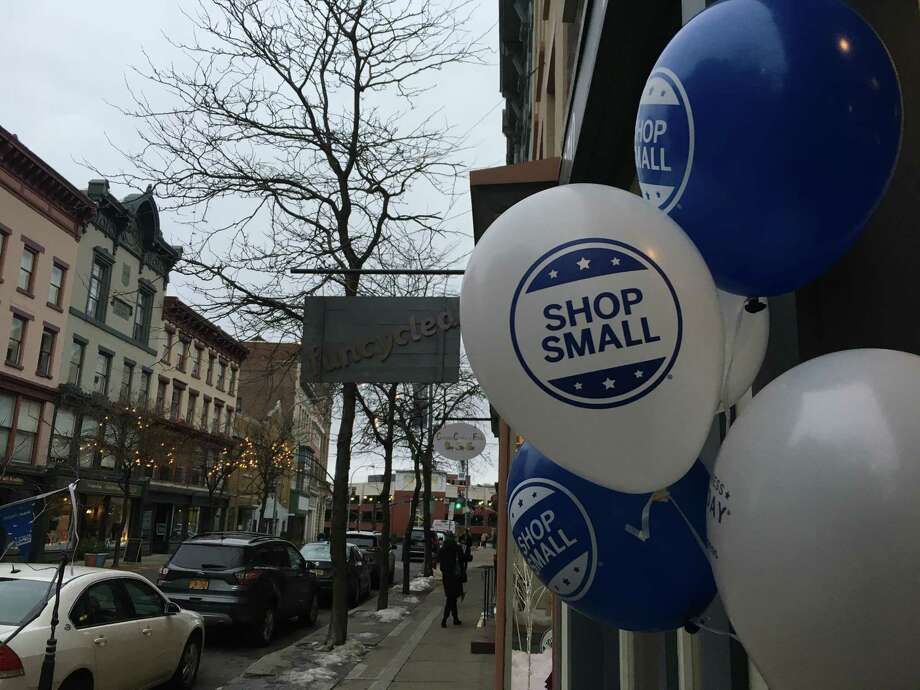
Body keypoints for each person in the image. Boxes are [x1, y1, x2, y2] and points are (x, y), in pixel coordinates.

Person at [438, 532, 463, 627]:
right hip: (455, 576)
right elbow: (462, 559)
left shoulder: (442, 549)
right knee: (451, 598)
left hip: (446, 577)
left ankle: (455, 618)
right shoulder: (457, 548)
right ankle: (444, 619)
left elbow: (440, 562)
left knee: (452, 598)